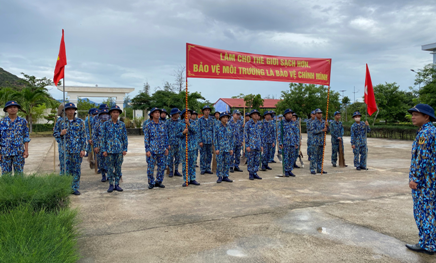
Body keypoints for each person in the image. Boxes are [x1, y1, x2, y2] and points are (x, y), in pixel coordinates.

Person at [405, 104, 436, 255]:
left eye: (417, 114)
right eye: (412, 114)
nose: (413, 116)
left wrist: (415, 179)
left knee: (424, 212)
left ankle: (427, 244)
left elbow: (422, 159)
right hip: (431, 179)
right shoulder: (432, 131)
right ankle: (431, 242)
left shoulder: (425, 134)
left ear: (426, 117)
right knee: (430, 211)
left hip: (424, 182)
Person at [53, 103, 86, 195]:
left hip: (77, 150)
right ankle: (65, 187)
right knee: (64, 169)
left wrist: (83, 149)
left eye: (73, 109)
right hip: (64, 150)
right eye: (69, 109)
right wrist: (60, 133)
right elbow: (55, 134)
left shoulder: (80, 122)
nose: (71, 111)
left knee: (76, 169)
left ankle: (74, 187)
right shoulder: (60, 122)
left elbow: (83, 136)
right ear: (65, 111)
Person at [101, 105, 128, 193]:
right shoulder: (106, 124)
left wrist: (125, 148)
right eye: (114, 112)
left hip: (119, 150)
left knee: (118, 168)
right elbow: (103, 138)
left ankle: (117, 184)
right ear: (111, 114)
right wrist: (104, 150)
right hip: (109, 150)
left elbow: (124, 137)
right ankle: (111, 185)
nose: (116, 114)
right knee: (109, 168)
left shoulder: (122, 124)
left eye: (117, 112)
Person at [0, 100, 30, 175]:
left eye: (15, 107)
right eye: (10, 107)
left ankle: (18, 187)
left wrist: (26, 150)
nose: (12, 109)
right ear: (6, 109)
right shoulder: (2, 122)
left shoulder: (23, 121)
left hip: (19, 152)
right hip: (5, 152)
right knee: (6, 174)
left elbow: (26, 136)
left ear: (17, 109)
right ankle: (7, 187)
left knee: (19, 173)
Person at [144, 107, 169, 189]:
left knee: (162, 167)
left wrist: (166, 147)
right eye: (156, 112)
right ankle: (151, 182)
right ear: (152, 114)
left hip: (161, 150)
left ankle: (159, 181)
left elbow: (166, 136)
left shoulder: (163, 124)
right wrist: (147, 150)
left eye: (158, 112)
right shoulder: (148, 125)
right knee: (151, 167)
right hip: (152, 150)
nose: (158, 114)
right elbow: (146, 139)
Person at [177, 109, 200, 186]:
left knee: (192, 163)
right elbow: (177, 135)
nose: (189, 115)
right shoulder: (179, 123)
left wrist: (189, 124)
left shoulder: (194, 122)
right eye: (187, 113)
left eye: (190, 113)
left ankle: (193, 178)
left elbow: (196, 131)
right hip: (184, 147)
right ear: (183, 115)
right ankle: (186, 179)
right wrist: (183, 133)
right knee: (185, 164)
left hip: (193, 146)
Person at [278, 109, 299, 177]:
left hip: (292, 143)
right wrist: (280, 143)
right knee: (286, 157)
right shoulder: (281, 123)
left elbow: (296, 133)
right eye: (289, 114)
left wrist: (297, 142)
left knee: (292, 157)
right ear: (285, 115)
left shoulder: (293, 123)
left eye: (291, 114)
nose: (290, 115)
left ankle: (290, 170)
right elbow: (279, 133)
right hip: (285, 143)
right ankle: (286, 171)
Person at [214, 111, 234, 183]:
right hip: (220, 148)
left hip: (227, 148)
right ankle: (219, 176)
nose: (226, 119)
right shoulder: (217, 127)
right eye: (224, 117)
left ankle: (225, 176)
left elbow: (231, 138)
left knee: (227, 163)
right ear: (221, 118)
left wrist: (231, 148)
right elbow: (215, 138)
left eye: (227, 117)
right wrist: (216, 148)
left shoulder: (229, 127)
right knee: (219, 163)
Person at [245, 109, 263, 180]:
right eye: (254, 114)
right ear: (251, 115)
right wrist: (247, 145)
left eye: (257, 114)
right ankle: (251, 173)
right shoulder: (248, 124)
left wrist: (261, 145)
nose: (256, 115)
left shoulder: (259, 124)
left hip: (258, 145)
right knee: (250, 160)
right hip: (251, 145)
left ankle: (255, 172)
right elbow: (246, 135)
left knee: (257, 160)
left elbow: (261, 135)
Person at [309, 108, 329, 174]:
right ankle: (312, 168)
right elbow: (312, 131)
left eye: (321, 113)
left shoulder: (324, 122)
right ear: (315, 114)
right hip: (315, 141)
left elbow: (327, 131)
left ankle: (320, 168)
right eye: (318, 113)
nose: (320, 114)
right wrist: (321, 130)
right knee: (314, 156)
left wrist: (327, 126)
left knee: (321, 156)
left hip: (322, 141)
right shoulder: (313, 122)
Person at [93, 107, 110, 182]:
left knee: (109, 162)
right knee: (101, 162)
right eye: (103, 114)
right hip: (100, 145)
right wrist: (95, 146)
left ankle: (109, 175)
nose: (105, 116)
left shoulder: (111, 123)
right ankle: (103, 175)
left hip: (110, 146)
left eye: (106, 114)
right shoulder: (97, 124)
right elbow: (94, 135)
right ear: (100, 116)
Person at [198, 105, 214, 175]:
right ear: (203, 111)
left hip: (210, 140)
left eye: (208, 110)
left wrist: (213, 139)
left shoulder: (212, 120)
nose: (207, 111)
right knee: (202, 155)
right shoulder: (200, 120)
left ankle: (208, 168)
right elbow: (198, 131)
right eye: (205, 110)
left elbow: (213, 130)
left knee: (209, 155)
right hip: (203, 141)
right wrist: (200, 141)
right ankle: (203, 168)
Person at [166, 108, 182, 177]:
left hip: (178, 143)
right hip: (171, 144)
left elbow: (182, 132)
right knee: (170, 158)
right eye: (177, 113)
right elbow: (166, 134)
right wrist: (167, 144)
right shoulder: (168, 122)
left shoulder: (180, 122)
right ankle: (171, 171)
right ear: (173, 114)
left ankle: (176, 170)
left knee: (178, 158)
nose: (178, 115)